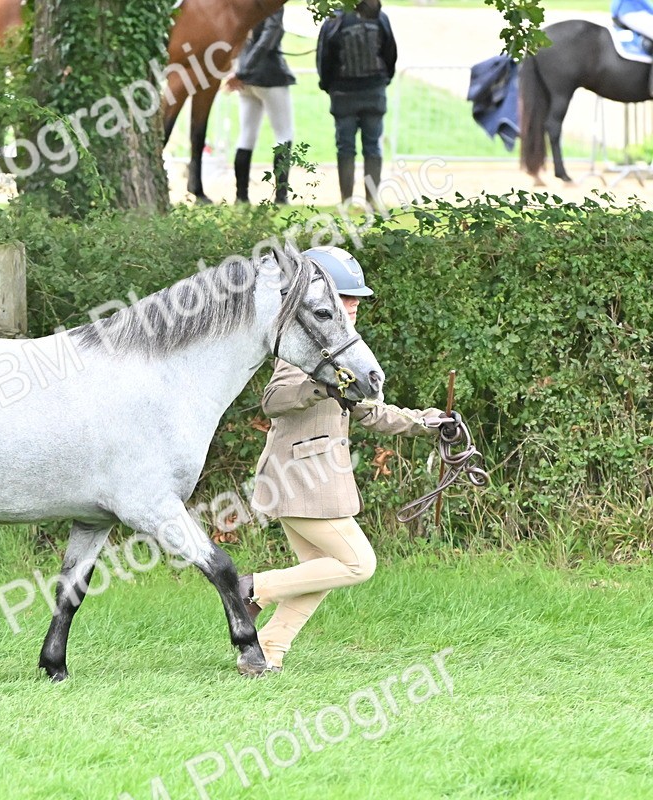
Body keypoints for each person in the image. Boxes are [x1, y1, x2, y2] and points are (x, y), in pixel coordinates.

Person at [237, 246, 451, 674]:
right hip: (297, 480)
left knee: (320, 572)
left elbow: (371, 412)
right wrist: (320, 389)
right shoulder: (301, 350)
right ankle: (252, 589)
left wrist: (430, 423)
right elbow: (273, 400)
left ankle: (267, 653)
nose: (352, 306)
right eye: (344, 297)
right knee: (358, 564)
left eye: (356, 299)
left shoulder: (348, 351)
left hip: (323, 482)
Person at [316, 0, 397, 207]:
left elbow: (324, 57)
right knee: (373, 146)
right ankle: (371, 200)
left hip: (343, 93)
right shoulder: (380, 18)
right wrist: (383, 80)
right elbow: (390, 53)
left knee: (345, 147)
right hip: (374, 91)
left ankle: (346, 200)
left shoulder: (335, 19)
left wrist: (328, 85)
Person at [226, 9, 296, 205]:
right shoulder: (273, 4)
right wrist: (246, 69)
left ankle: (241, 197)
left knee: (246, 136)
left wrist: (240, 70)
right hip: (268, 75)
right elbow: (268, 38)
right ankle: (281, 196)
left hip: (244, 76)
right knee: (284, 134)